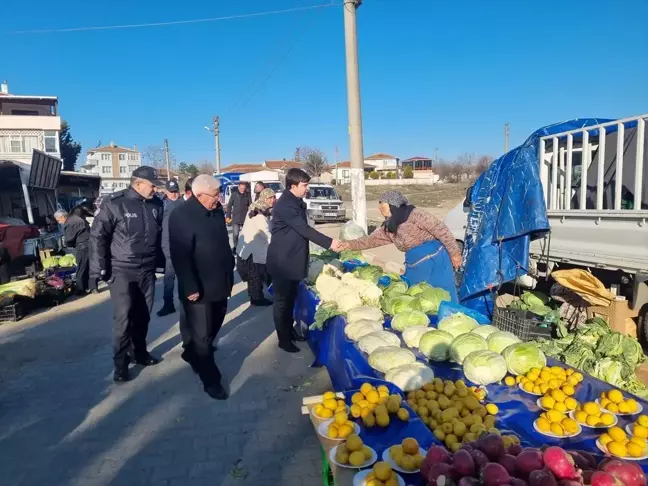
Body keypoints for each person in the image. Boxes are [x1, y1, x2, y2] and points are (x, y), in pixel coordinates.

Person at [90, 166, 165, 383]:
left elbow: (161, 237)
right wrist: (98, 268)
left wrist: (164, 263)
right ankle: (121, 365)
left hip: (147, 270)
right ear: (138, 183)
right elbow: (98, 237)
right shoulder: (115, 204)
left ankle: (139, 353)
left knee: (143, 315)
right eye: (152, 185)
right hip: (122, 270)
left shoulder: (156, 205)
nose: (155, 189)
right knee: (123, 319)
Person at [169, 175, 234, 400]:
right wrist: (189, 286)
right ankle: (211, 380)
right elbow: (180, 255)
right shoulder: (181, 215)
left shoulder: (215, 211)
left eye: (219, 194)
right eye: (215, 195)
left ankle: (192, 351)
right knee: (203, 336)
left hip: (220, 282)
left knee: (216, 321)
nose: (219, 199)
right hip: (198, 286)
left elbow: (223, 243)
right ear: (199, 195)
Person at [338, 191, 462, 301]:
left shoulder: (415, 215)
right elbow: (370, 241)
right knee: (419, 297)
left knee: (442, 294)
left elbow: (440, 230)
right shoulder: (390, 227)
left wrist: (454, 253)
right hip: (415, 263)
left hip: (436, 259)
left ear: (393, 204)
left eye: (382, 205)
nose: (380, 209)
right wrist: (347, 245)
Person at [267, 168, 341, 353]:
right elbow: (304, 229)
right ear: (293, 186)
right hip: (283, 261)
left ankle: (289, 331)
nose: (307, 188)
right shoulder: (286, 205)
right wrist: (330, 243)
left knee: (291, 300)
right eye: (305, 185)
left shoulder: (296, 201)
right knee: (282, 303)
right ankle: (283, 340)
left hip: (293, 259)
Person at [236, 188, 276, 306]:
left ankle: (255, 295)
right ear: (266, 199)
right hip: (252, 250)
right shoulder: (258, 214)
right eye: (271, 198)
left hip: (252, 248)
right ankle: (256, 298)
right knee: (255, 274)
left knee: (256, 274)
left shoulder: (259, 208)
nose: (274, 200)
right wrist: (277, 245)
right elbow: (265, 232)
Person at [157, 179, 184, 317]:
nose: (173, 195)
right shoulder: (160, 204)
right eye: (171, 192)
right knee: (169, 278)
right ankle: (168, 304)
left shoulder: (183, 205)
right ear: (166, 191)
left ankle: (184, 303)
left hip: (180, 246)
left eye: (175, 192)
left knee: (183, 277)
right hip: (167, 246)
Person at [54, 209, 91, 295]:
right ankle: (91, 287)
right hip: (90, 243)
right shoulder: (77, 218)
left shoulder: (69, 223)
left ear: (62, 217)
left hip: (82, 246)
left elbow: (69, 239)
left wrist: (67, 244)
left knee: (80, 268)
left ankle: (80, 289)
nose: (59, 222)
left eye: (58, 220)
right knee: (88, 267)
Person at [226, 181, 251, 252]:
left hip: (245, 218)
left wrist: (251, 215)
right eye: (241, 188)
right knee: (235, 234)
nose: (242, 189)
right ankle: (236, 247)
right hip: (236, 218)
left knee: (246, 234)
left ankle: (246, 247)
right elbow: (229, 206)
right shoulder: (234, 195)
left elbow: (250, 205)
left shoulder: (247, 195)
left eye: (244, 188)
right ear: (238, 187)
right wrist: (228, 216)